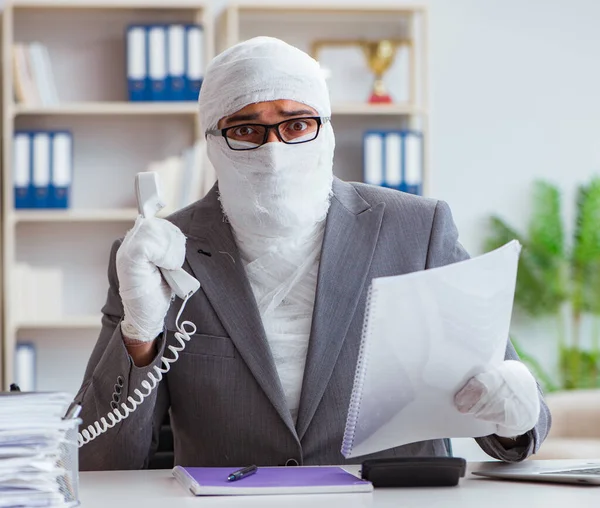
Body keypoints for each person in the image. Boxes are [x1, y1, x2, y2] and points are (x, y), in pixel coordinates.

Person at [76, 37, 550, 470]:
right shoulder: (158, 253)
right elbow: (98, 460)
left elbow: (510, 417)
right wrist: (140, 337)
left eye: (296, 124)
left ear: (325, 129)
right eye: (246, 130)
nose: (273, 152)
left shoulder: (416, 230)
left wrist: (516, 415)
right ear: (213, 143)